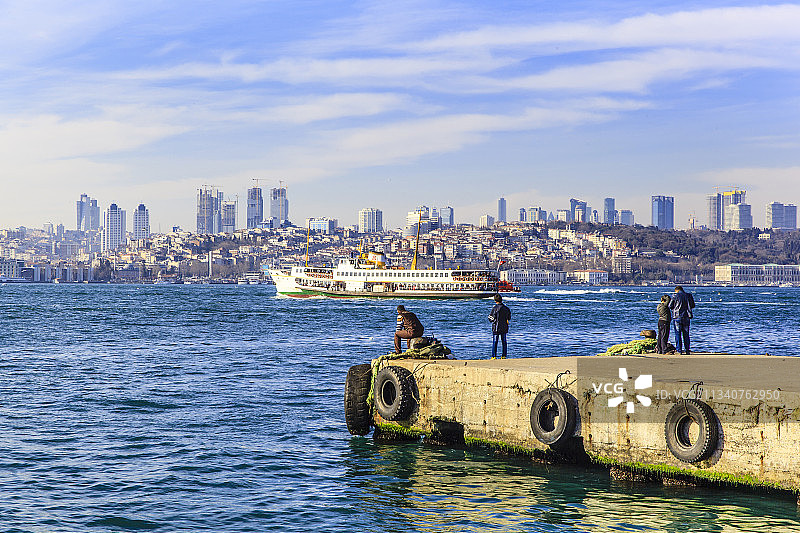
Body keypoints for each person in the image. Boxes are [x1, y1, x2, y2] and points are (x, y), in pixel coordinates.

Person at [668, 286, 695, 355]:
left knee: (678, 334)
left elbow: (670, 306)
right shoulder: (689, 295)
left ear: (676, 290)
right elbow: (692, 305)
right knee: (686, 334)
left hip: (677, 317)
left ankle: (679, 350)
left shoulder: (675, 296)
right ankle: (687, 350)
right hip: (686, 317)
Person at [488, 294, 511, 359]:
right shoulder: (506, 308)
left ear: (495, 300)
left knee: (495, 342)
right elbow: (509, 318)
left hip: (496, 327)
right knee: (504, 341)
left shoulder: (494, 308)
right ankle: (504, 355)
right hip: (504, 327)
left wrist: (493, 320)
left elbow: (490, 318)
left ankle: (493, 356)